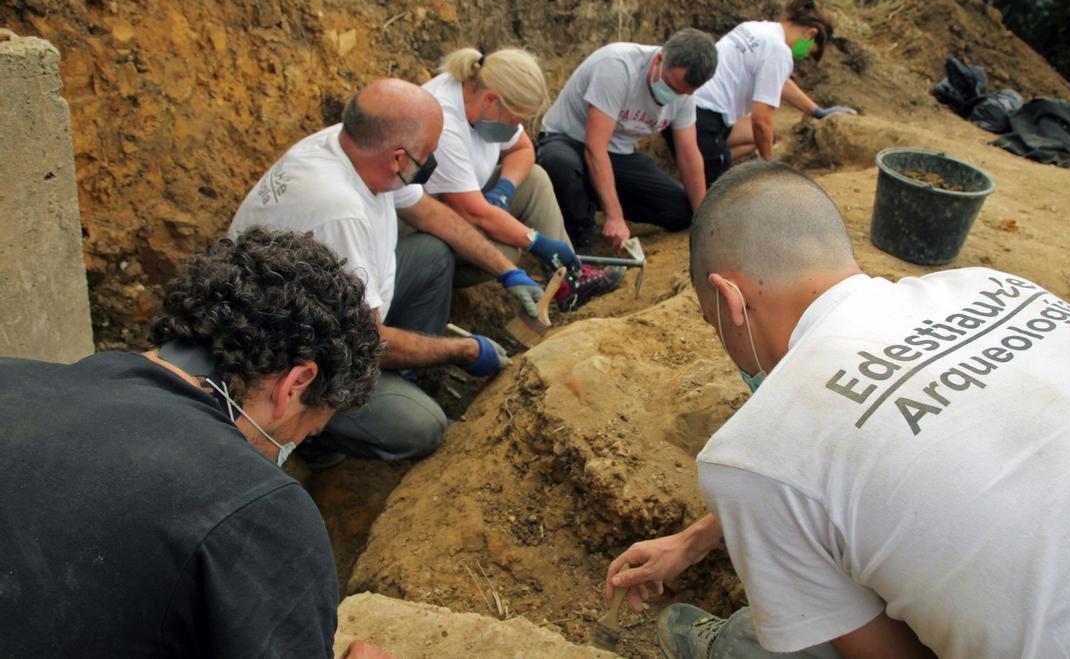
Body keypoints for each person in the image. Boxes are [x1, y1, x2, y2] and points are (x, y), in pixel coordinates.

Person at [604, 160, 1070, 658]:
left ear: (731, 300)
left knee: (765, 640)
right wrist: (699, 539)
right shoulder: (996, 287)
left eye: (716, 327)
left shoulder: (748, 455)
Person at [0, 228, 393, 658]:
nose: (287, 452)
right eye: (306, 432)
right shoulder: (258, 509)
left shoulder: (10, 378)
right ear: (296, 384)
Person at [231, 78, 544, 468]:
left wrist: (508, 271)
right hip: (291, 360)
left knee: (432, 255)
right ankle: (318, 439)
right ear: (398, 158)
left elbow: (428, 213)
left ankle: (405, 379)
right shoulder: (339, 212)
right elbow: (368, 337)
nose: (431, 164)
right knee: (423, 427)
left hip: (334, 310)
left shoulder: (357, 148)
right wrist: (462, 350)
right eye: (428, 154)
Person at [422, 47, 623, 311]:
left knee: (535, 179)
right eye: (515, 119)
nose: (515, 126)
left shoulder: (482, 96)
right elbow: (474, 213)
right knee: (507, 251)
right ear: (492, 100)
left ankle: (568, 282)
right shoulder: (445, 123)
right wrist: (537, 242)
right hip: (426, 227)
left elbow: (523, 149)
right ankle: (436, 300)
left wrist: (504, 190)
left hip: (464, 204)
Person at [536, 28, 717, 252]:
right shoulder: (617, 67)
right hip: (570, 141)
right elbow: (595, 147)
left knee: (681, 212)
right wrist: (614, 216)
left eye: (681, 92)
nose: (672, 95)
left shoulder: (683, 95)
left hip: (618, 155)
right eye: (670, 86)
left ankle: (589, 196)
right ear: (660, 58)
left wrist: (703, 219)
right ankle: (579, 246)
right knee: (560, 165)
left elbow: (689, 156)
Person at [677, 0, 857, 186]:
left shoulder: (756, 28)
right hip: (704, 120)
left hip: (683, 107)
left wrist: (817, 111)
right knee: (720, 195)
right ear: (811, 34)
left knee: (756, 138)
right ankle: (704, 169)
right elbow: (761, 120)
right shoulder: (778, 51)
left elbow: (779, 82)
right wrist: (768, 165)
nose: (804, 56)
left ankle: (702, 161)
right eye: (810, 51)